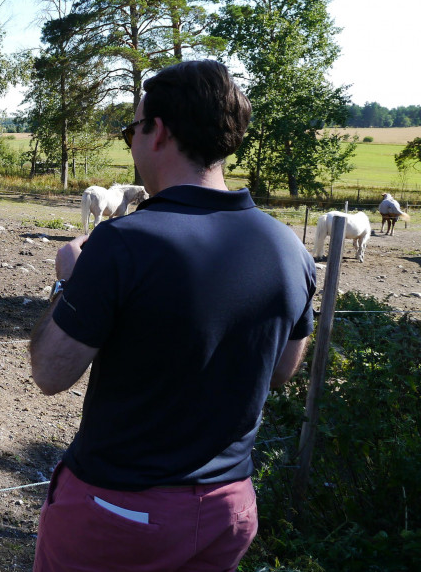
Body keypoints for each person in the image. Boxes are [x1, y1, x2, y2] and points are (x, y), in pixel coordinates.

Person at [29, 59, 316, 572]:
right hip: (229, 508)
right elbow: (282, 369)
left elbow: (50, 372)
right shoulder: (288, 249)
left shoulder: (121, 244)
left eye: (130, 129)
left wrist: (69, 279)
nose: (132, 142)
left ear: (156, 131)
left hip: (118, 512)